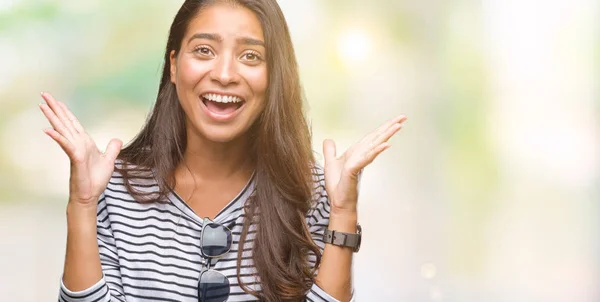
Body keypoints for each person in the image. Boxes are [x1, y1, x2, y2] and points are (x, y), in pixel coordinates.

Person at [40, 0, 406, 301]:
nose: (225, 74)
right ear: (173, 65)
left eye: (250, 56)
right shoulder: (113, 188)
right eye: (203, 50)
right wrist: (83, 205)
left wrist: (343, 212)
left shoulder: (309, 190)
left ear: (275, 75)